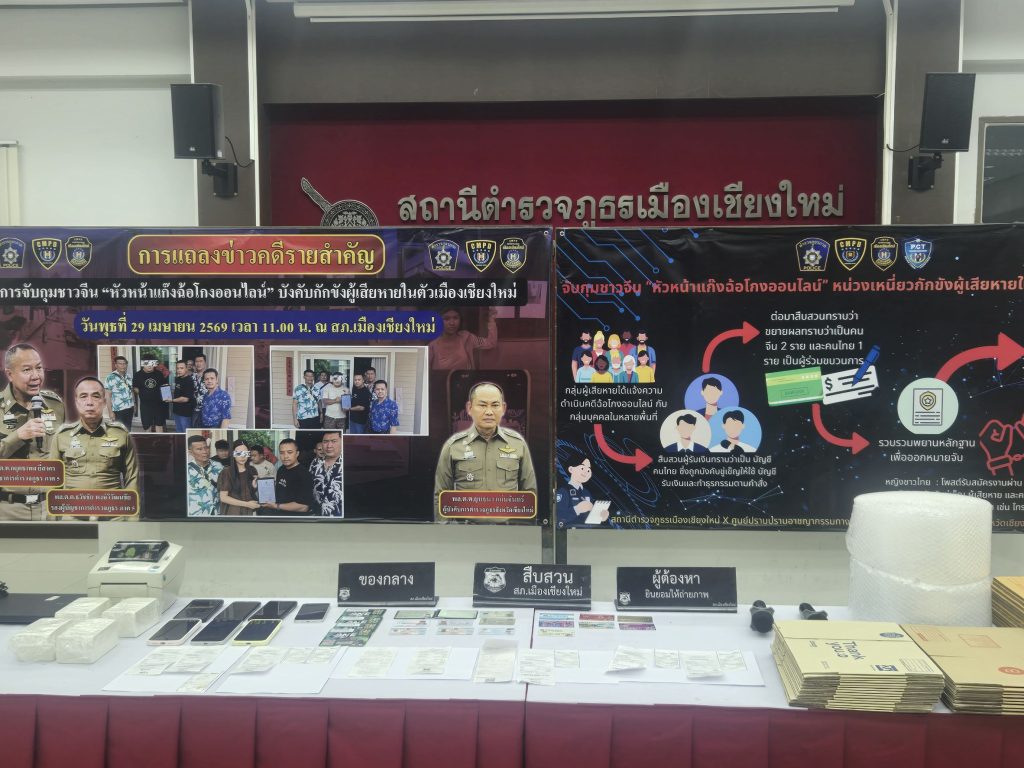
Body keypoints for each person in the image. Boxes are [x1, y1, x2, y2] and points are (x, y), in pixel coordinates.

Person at [434, 382, 537, 510]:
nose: (489, 412)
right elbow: (441, 496)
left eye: (495, 405)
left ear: (503, 408)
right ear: (469, 408)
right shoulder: (453, 446)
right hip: (466, 522)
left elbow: (529, 494)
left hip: (508, 522)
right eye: (482, 405)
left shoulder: (518, 444)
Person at [0, 343, 65, 521]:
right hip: (8, 510)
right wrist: (17, 437)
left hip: (48, 509)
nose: (36, 376)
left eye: (39, 368)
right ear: (10, 374)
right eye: (27, 370)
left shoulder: (56, 405)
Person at [50, 377, 138, 493]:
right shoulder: (62, 436)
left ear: (104, 402)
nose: (89, 402)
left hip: (110, 503)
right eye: (83, 396)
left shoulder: (121, 434)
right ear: (76, 402)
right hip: (72, 503)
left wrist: (129, 504)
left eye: (96, 396)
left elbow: (132, 479)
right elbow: (52, 481)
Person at [259, 438, 316, 516]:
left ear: (297, 453)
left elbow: (303, 507)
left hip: (293, 519)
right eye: (282, 453)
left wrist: (276, 506)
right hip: (279, 515)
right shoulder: (281, 469)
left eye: (289, 452)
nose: (285, 456)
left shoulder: (304, 474)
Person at [429, 306, 498, 370]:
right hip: (441, 379)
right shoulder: (432, 346)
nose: (452, 323)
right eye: (446, 319)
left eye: (455, 318)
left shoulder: (467, 337)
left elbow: (491, 343)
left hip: (465, 379)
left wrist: (491, 319)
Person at [556, 455, 608, 528]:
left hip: (587, 532)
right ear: (571, 469)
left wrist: (601, 516)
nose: (586, 472)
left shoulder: (586, 492)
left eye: (588, 470)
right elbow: (558, 519)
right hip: (569, 531)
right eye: (582, 468)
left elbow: (589, 518)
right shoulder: (563, 491)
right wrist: (577, 509)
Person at [218, 438, 260, 515]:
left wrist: (254, 487)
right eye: (238, 453)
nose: (242, 456)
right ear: (233, 454)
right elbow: (223, 497)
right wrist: (247, 504)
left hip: (248, 512)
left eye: (245, 453)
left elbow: (251, 493)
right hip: (232, 513)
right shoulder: (227, 472)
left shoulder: (252, 470)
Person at [186, 434, 222, 516]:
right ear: (190, 452)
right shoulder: (186, 470)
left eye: (206, 448)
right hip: (197, 515)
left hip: (218, 513)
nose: (205, 452)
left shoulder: (219, 466)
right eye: (199, 449)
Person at [310, 430, 343, 517]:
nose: (329, 446)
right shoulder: (315, 463)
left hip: (339, 518)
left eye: (334, 441)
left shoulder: (347, 462)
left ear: (342, 442)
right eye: (325, 442)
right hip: (316, 517)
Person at [132, 358, 167, 432]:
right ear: (143, 364)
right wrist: (143, 393)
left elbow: (164, 386)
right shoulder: (138, 375)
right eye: (147, 363)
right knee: (147, 426)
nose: (149, 365)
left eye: (151, 363)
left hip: (159, 404)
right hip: (145, 405)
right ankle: (148, 439)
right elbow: (135, 387)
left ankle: (160, 439)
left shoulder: (159, 374)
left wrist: (167, 397)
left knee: (159, 424)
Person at [103, 355, 134, 429]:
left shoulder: (128, 376)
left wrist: (134, 404)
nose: (123, 365)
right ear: (116, 365)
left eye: (124, 363)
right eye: (120, 363)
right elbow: (107, 396)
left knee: (128, 429)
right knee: (119, 430)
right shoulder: (110, 377)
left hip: (130, 408)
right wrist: (110, 412)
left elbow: (131, 391)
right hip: (118, 410)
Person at [169, 360, 196, 433]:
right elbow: (178, 392)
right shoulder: (178, 379)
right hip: (176, 411)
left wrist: (172, 400)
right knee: (179, 432)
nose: (179, 370)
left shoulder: (189, 381)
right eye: (177, 368)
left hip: (185, 413)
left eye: (181, 368)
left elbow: (185, 399)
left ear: (186, 368)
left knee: (185, 433)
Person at [190, 353, 208, 427]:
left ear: (205, 363)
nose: (198, 363)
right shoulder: (191, 376)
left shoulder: (209, 376)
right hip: (194, 410)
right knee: (194, 428)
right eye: (197, 361)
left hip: (206, 409)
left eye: (201, 361)